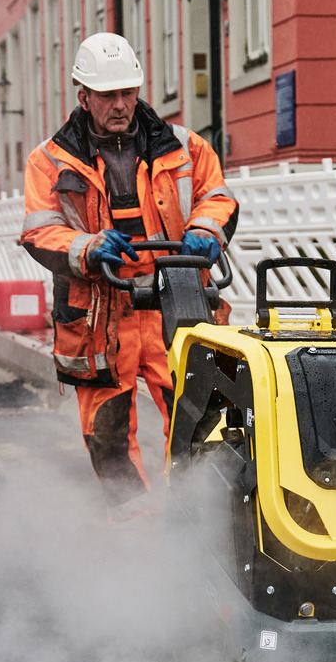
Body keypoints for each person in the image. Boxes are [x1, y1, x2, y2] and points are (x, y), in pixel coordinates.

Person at [19, 33, 239, 520]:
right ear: (84, 97)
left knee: (202, 417)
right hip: (102, 307)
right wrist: (90, 247)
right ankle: (137, 536)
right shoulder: (50, 160)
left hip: (176, 297)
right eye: (107, 95)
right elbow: (40, 231)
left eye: (127, 93)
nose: (120, 105)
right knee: (108, 433)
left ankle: (198, 519)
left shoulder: (184, 147)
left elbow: (217, 197)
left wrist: (205, 231)